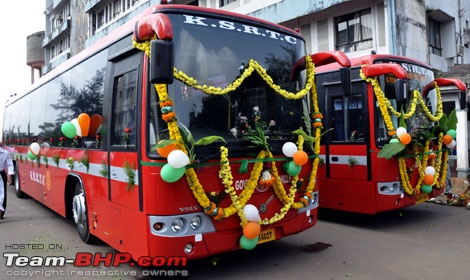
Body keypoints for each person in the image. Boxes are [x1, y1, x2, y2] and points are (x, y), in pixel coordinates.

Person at [0, 144, 14, 219]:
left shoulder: (5, 153)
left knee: (2, 195)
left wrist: (10, 175)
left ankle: (1, 212)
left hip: (1, 175)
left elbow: (10, 164)